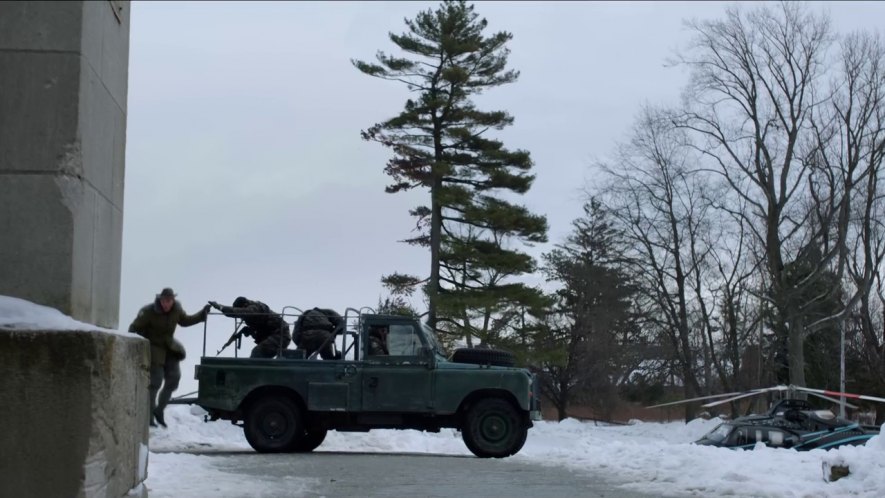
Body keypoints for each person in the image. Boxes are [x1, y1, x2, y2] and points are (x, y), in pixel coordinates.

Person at [129, 287, 210, 428]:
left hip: (169, 348)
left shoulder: (176, 310)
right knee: (155, 381)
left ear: (173, 301)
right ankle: (148, 417)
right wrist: (135, 347)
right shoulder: (148, 312)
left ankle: (159, 410)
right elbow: (134, 327)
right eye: (164, 301)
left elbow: (185, 321)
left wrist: (202, 315)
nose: (167, 304)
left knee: (174, 378)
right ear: (160, 300)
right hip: (153, 347)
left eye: (169, 301)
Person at [209, 297, 291, 359]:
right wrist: (250, 330)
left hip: (280, 335)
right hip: (276, 335)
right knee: (258, 352)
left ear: (244, 305)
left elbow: (239, 312)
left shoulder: (254, 308)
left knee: (257, 352)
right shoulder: (252, 311)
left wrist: (220, 307)